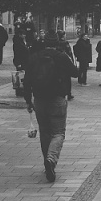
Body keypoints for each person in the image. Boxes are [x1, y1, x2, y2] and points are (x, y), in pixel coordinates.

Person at [23, 31, 79, 182]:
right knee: (58, 132)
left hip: (39, 100)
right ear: (57, 43)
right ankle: (51, 160)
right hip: (57, 99)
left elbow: (26, 81)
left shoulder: (34, 57)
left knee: (45, 132)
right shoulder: (61, 57)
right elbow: (75, 73)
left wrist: (28, 100)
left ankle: (46, 161)